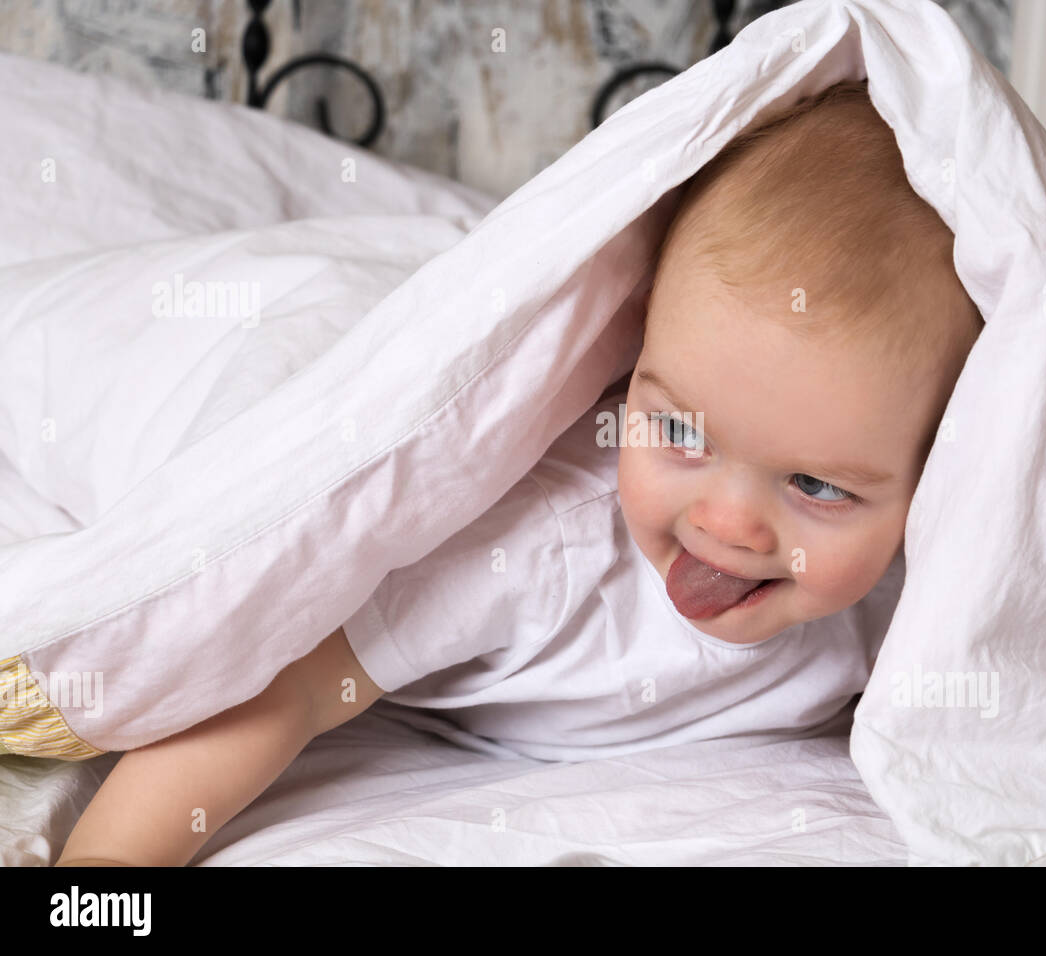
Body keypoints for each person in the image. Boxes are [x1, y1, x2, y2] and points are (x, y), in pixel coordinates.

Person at [54, 79, 982, 867]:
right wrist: (106, 877)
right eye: (683, 432)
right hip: (270, 333)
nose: (731, 523)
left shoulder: (935, 583)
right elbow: (289, 688)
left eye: (818, 488)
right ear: (641, 341)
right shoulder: (532, 538)